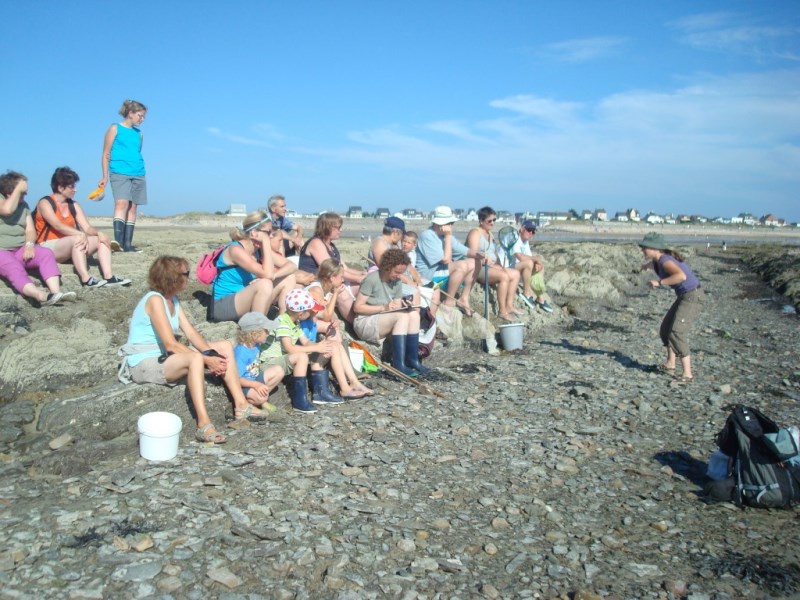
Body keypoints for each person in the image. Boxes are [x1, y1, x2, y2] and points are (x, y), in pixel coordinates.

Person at [118, 256, 266, 444]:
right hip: (144, 362)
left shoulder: (173, 299)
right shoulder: (155, 300)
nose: (189, 277)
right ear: (173, 277)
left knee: (225, 347)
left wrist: (211, 354)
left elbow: (190, 333)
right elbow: (170, 343)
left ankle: (241, 405)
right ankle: (203, 425)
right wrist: (205, 359)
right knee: (195, 358)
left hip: (165, 356)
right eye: (186, 274)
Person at [34, 167, 131, 289]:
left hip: (70, 245)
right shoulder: (45, 203)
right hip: (48, 246)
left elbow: (87, 227)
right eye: (72, 186)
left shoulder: (73, 205)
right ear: (60, 188)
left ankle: (109, 276)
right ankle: (86, 278)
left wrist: (99, 233)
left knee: (100, 239)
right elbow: (57, 226)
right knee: (77, 238)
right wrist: (79, 234)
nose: (75, 189)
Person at [258, 288, 344, 413]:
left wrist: (322, 346)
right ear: (300, 313)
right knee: (301, 356)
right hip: (270, 362)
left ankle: (321, 392)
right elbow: (289, 348)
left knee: (328, 347)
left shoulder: (294, 322)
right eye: (309, 310)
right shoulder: (283, 322)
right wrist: (315, 347)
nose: (311, 312)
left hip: (284, 358)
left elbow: (306, 342)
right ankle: (299, 400)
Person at [0, 170, 75, 306]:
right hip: (1, 251)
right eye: (23, 191)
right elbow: (7, 210)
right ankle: (39, 295)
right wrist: (17, 189)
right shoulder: (2, 201)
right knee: (13, 267)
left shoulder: (24, 206)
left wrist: (29, 244)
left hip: (18, 249)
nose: (26, 193)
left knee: (45, 253)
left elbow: (30, 230)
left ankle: (55, 293)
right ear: (11, 191)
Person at [639, 232, 704, 383]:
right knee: (665, 329)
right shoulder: (656, 260)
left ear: (655, 248)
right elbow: (653, 264)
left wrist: (659, 282)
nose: (642, 250)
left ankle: (687, 374)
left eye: (645, 247)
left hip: (693, 296)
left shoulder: (664, 260)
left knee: (676, 332)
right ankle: (670, 364)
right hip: (684, 296)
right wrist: (645, 266)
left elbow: (681, 276)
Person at [353, 248, 428, 377]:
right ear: (387, 267)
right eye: (396, 272)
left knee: (413, 315)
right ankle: (398, 364)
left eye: (401, 272)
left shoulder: (397, 281)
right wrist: (383, 308)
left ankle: (412, 359)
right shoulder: (371, 279)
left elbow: (396, 305)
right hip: (365, 321)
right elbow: (358, 307)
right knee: (402, 317)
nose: (399, 276)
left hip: (383, 319)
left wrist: (405, 306)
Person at [209, 210, 294, 322]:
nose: (271, 236)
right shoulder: (235, 250)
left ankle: (284, 324)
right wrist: (266, 242)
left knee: (289, 278)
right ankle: (255, 330)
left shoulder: (258, 250)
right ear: (254, 232)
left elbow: (292, 266)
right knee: (265, 284)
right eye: (268, 233)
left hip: (245, 300)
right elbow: (267, 275)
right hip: (222, 306)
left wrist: (275, 275)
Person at [306, 259, 374, 398]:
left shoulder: (324, 288)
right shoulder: (316, 289)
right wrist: (336, 294)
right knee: (333, 336)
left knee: (335, 336)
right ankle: (348, 382)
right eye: (341, 277)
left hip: (312, 324)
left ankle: (353, 381)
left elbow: (325, 315)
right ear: (332, 277)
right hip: (304, 327)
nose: (343, 280)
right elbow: (325, 315)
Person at [415, 205, 482, 317]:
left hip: (441, 272)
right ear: (441, 224)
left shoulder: (444, 235)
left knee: (475, 262)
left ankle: (464, 298)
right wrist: (448, 236)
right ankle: (448, 302)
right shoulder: (428, 235)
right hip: (428, 275)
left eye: (452, 223)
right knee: (461, 266)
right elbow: (446, 260)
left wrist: (480, 255)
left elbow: (464, 250)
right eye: (450, 223)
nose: (451, 226)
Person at [298, 212, 365, 323]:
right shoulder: (316, 243)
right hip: (319, 282)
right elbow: (331, 271)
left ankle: (368, 316)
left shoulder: (332, 246)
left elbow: (345, 269)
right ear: (328, 228)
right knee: (342, 293)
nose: (341, 230)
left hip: (334, 279)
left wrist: (363, 274)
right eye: (338, 227)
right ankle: (357, 324)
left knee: (361, 286)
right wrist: (359, 278)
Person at [100, 99, 147, 252]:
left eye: (144, 116)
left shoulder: (139, 134)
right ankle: (118, 243)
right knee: (121, 203)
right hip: (119, 171)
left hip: (138, 172)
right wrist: (105, 176)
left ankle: (127, 244)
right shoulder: (115, 128)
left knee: (133, 208)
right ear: (130, 113)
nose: (142, 119)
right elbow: (106, 153)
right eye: (140, 116)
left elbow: (137, 151)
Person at [465, 206, 523, 321]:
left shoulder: (490, 235)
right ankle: (502, 311)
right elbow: (473, 255)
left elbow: (495, 254)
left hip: (491, 266)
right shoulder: (475, 233)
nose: (492, 223)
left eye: (494, 220)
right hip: (479, 268)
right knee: (503, 276)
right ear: (481, 221)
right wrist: (488, 262)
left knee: (515, 274)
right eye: (489, 221)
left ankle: (509, 305)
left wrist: (499, 264)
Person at [233, 312, 285, 411]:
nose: (268, 333)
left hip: (255, 378)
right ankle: (250, 402)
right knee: (263, 397)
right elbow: (236, 379)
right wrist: (256, 385)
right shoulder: (241, 353)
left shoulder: (256, 346)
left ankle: (258, 397)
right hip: (243, 386)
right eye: (265, 330)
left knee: (279, 371)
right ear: (254, 334)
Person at [509, 220, 552, 312]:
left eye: (533, 231)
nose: (531, 233)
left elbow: (529, 257)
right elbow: (520, 256)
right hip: (507, 268)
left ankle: (540, 297)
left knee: (540, 267)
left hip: (518, 268)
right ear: (522, 229)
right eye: (529, 230)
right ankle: (526, 294)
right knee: (529, 263)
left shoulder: (525, 242)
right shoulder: (514, 238)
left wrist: (537, 263)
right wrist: (535, 259)